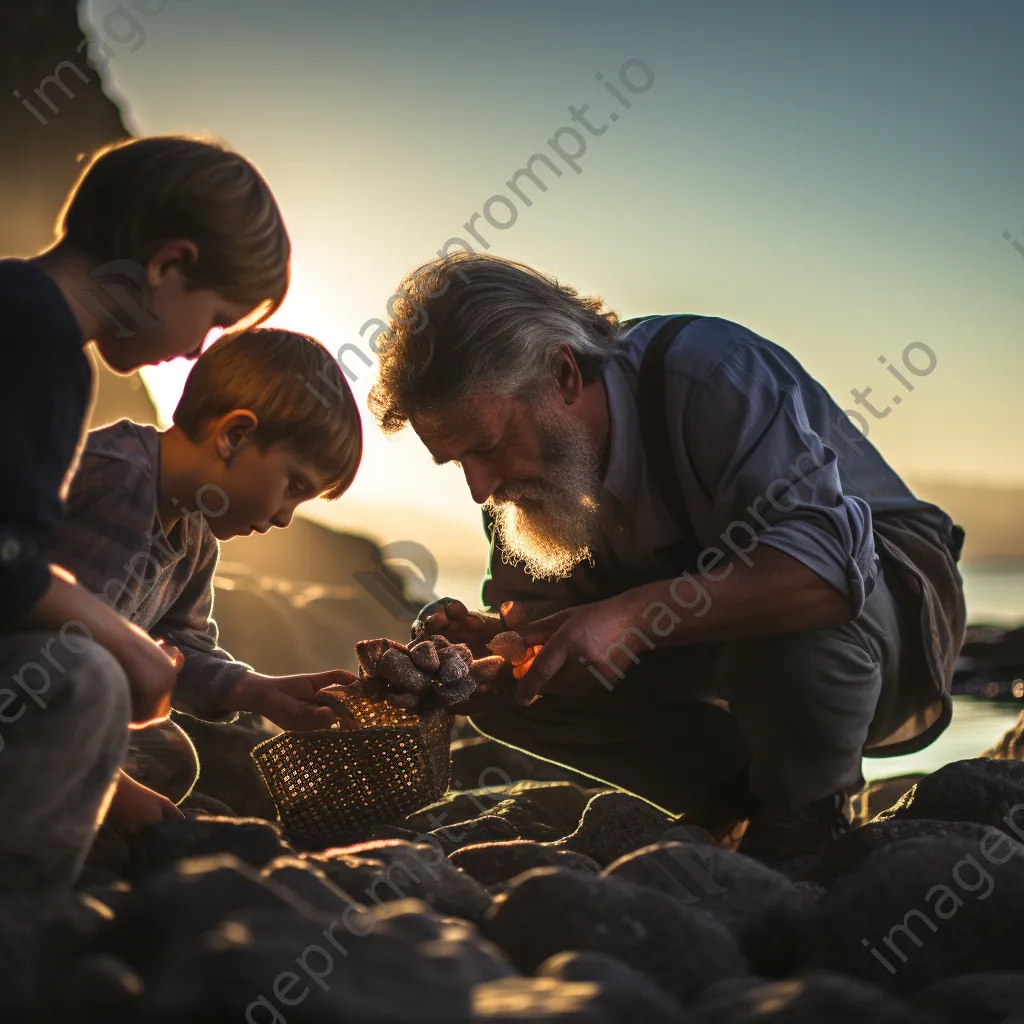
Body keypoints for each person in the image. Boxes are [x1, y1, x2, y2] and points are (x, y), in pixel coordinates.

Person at [368, 251, 967, 859]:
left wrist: (631, 615)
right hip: (727, 641)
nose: (478, 487)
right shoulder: (524, 480)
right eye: (458, 463)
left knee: (791, 611)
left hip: (890, 605)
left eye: (489, 447)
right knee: (510, 693)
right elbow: (545, 629)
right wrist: (490, 646)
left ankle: (805, 812)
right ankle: (738, 794)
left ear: (563, 376)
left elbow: (827, 574)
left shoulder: (709, 373)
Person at [0, 134, 290, 894]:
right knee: (84, 684)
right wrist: (122, 643)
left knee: (150, 745)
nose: (200, 349)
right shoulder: (35, 333)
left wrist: (245, 688)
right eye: (216, 317)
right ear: (167, 266)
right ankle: (21, 925)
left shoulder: (32, 318)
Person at [49, 328, 362, 830]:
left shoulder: (196, 532)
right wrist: (118, 793)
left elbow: (180, 643)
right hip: (25, 689)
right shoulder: (117, 481)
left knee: (172, 756)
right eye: (293, 486)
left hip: (78, 700)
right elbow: (54, 653)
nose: (285, 518)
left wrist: (258, 691)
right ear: (234, 436)